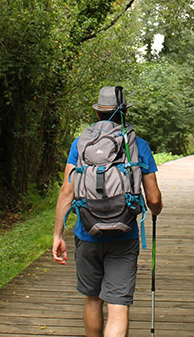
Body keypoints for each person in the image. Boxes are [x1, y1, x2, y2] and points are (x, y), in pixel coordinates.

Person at [53, 86, 163, 337]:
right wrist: (155, 209)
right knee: (118, 304)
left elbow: (67, 192)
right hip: (124, 236)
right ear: (123, 112)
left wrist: (58, 235)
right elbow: (154, 198)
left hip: (86, 232)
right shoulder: (138, 144)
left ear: (98, 113)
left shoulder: (80, 144)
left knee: (93, 299)